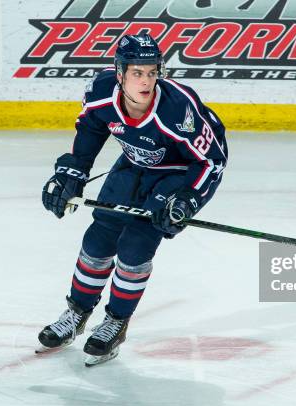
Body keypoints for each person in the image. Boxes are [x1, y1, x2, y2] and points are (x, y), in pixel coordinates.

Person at [38, 34, 228, 364]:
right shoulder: (100, 93)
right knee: (97, 241)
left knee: (135, 247)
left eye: (152, 72)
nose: (146, 81)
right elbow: (91, 129)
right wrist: (74, 172)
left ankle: (115, 321)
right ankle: (77, 314)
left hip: (177, 172)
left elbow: (211, 160)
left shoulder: (177, 109)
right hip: (133, 162)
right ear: (120, 72)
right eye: (137, 73)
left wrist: (187, 198)